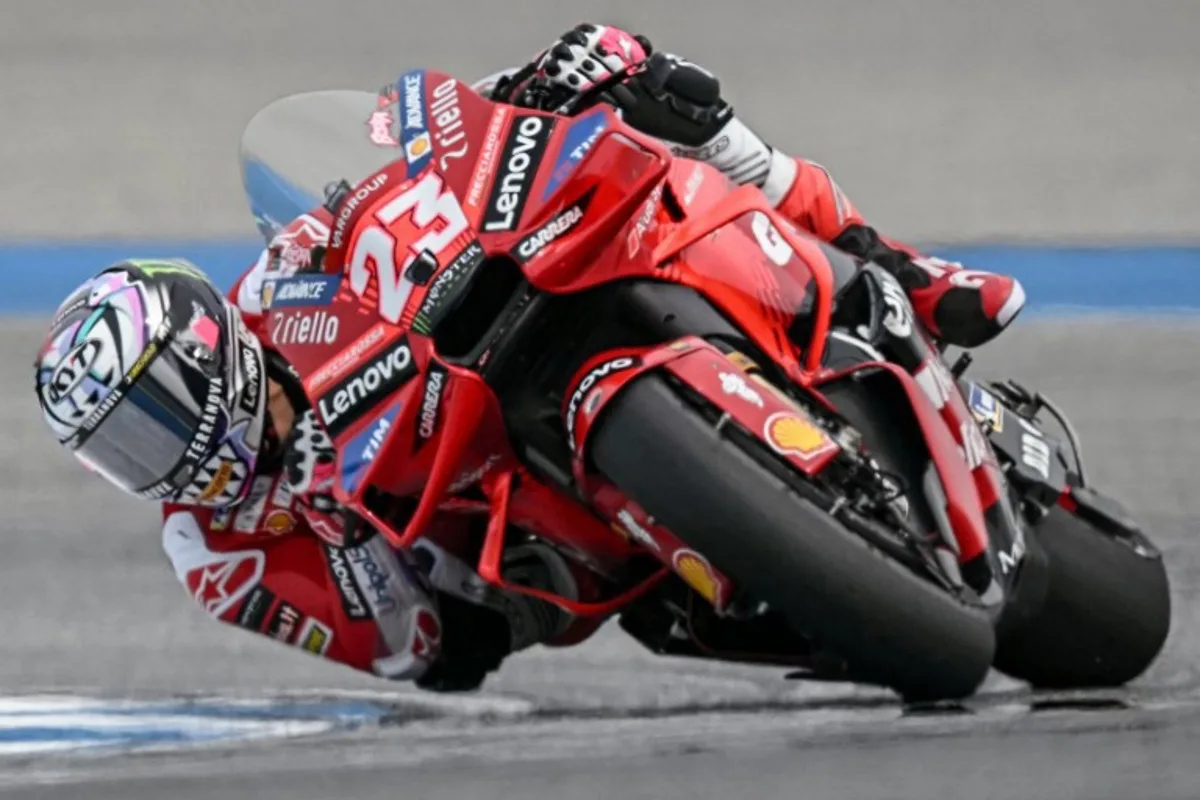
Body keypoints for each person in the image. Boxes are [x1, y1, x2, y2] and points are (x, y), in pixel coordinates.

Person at [33, 24, 1024, 694]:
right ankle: (773, 556)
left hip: (501, 338)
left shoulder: (278, 293)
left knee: (647, 90)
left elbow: (385, 183)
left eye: (149, 413)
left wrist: (518, 98)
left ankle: (899, 269)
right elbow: (414, 652)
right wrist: (360, 547)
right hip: (503, 541)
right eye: (119, 446)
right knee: (609, 612)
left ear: (205, 346)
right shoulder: (212, 550)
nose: (151, 453)